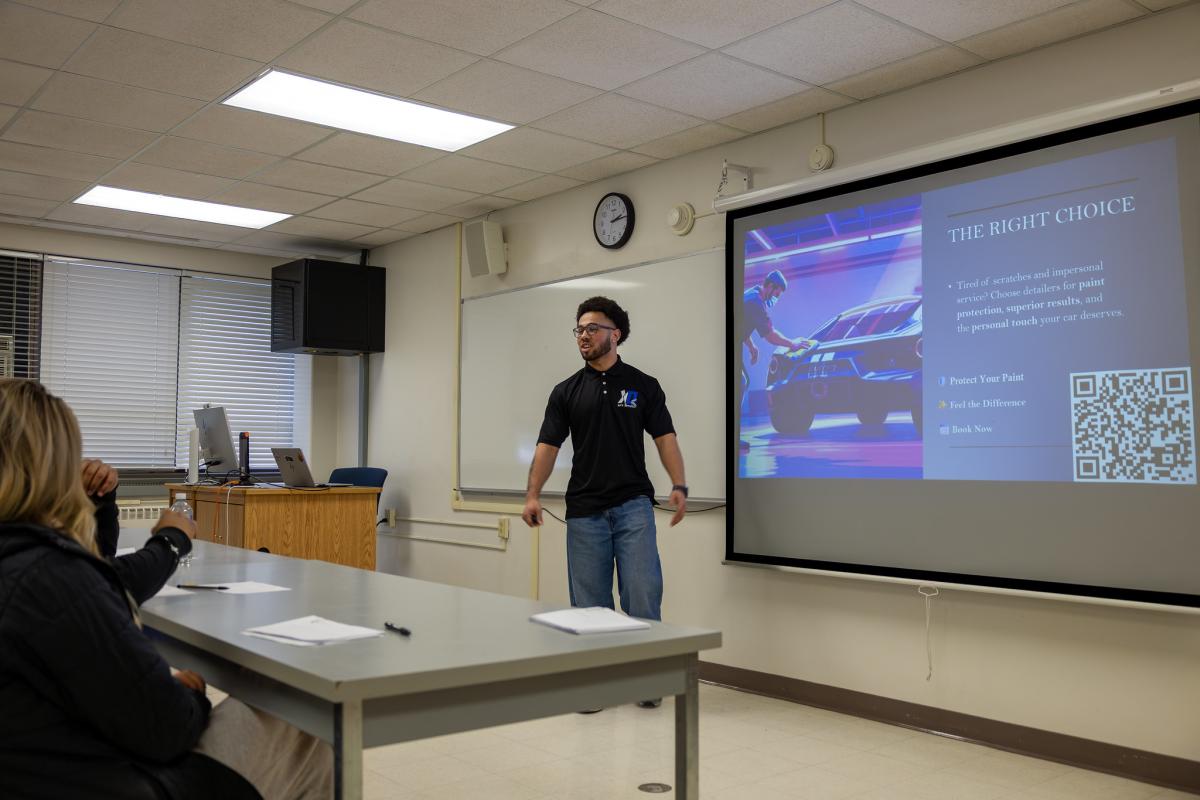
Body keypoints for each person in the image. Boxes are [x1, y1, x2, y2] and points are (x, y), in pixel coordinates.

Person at [0, 379, 332, 800]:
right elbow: (168, 728)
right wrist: (188, 693)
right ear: (53, 467)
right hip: (120, 783)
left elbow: (95, 580)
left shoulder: (28, 562)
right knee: (300, 711)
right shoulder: (50, 576)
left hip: (48, 769)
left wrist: (103, 505)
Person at [522, 297, 686, 709]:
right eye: (579, 329)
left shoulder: (643, 385)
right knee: (589, 606)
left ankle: (647, 683)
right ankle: (595, 686)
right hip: (584, 511)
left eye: (592, 328)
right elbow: (547, 447)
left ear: (616, 334)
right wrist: (533, 494)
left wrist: (679, 484)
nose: (584, 335)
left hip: (633, 506)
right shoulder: (566, 392)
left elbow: (665, 438)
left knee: (642, 594)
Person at [741, 269, 812, 449]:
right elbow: (770, 335)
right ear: (770, 286)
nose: (776, 298)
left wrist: (751, 346)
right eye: (777, 294)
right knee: (741, 382)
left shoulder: (752, 294)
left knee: (743, 381)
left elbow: (741, 325)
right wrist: (792, 344)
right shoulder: (756, 302)